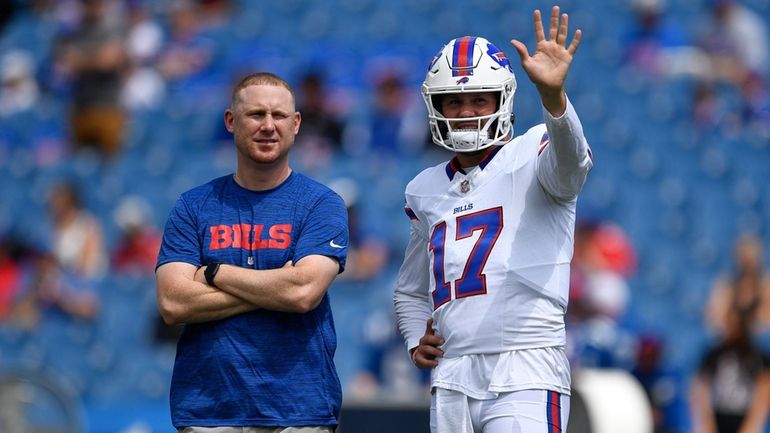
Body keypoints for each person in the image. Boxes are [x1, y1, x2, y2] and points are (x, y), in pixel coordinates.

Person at [393, 6, 592, 433]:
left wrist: (554, 98)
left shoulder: (535, 147)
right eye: (455, 100)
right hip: (451, 375)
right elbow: (410, 292)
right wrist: (414, 339)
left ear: (502, 99)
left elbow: (571, 167)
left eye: (478, 98)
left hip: (525, 365)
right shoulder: (424, 188)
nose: (466, 110)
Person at [155, 72, 349, 432]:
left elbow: (303, 293)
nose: (268, 126)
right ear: (231, 121)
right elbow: (173, 303)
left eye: (278, 116)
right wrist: (278, 286)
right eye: (256, 114)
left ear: (296, 125)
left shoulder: (322, 204)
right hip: (208, 411)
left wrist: (215, 273)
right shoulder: (192, 206)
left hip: (299, 411)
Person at [690, 304, 770, 433]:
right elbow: (700, 387)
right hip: (719, 416)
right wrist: (706, 422)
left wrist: (753, 423)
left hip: (744, 416)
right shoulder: (715, 353)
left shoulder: (756, 356)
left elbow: (764, 389)